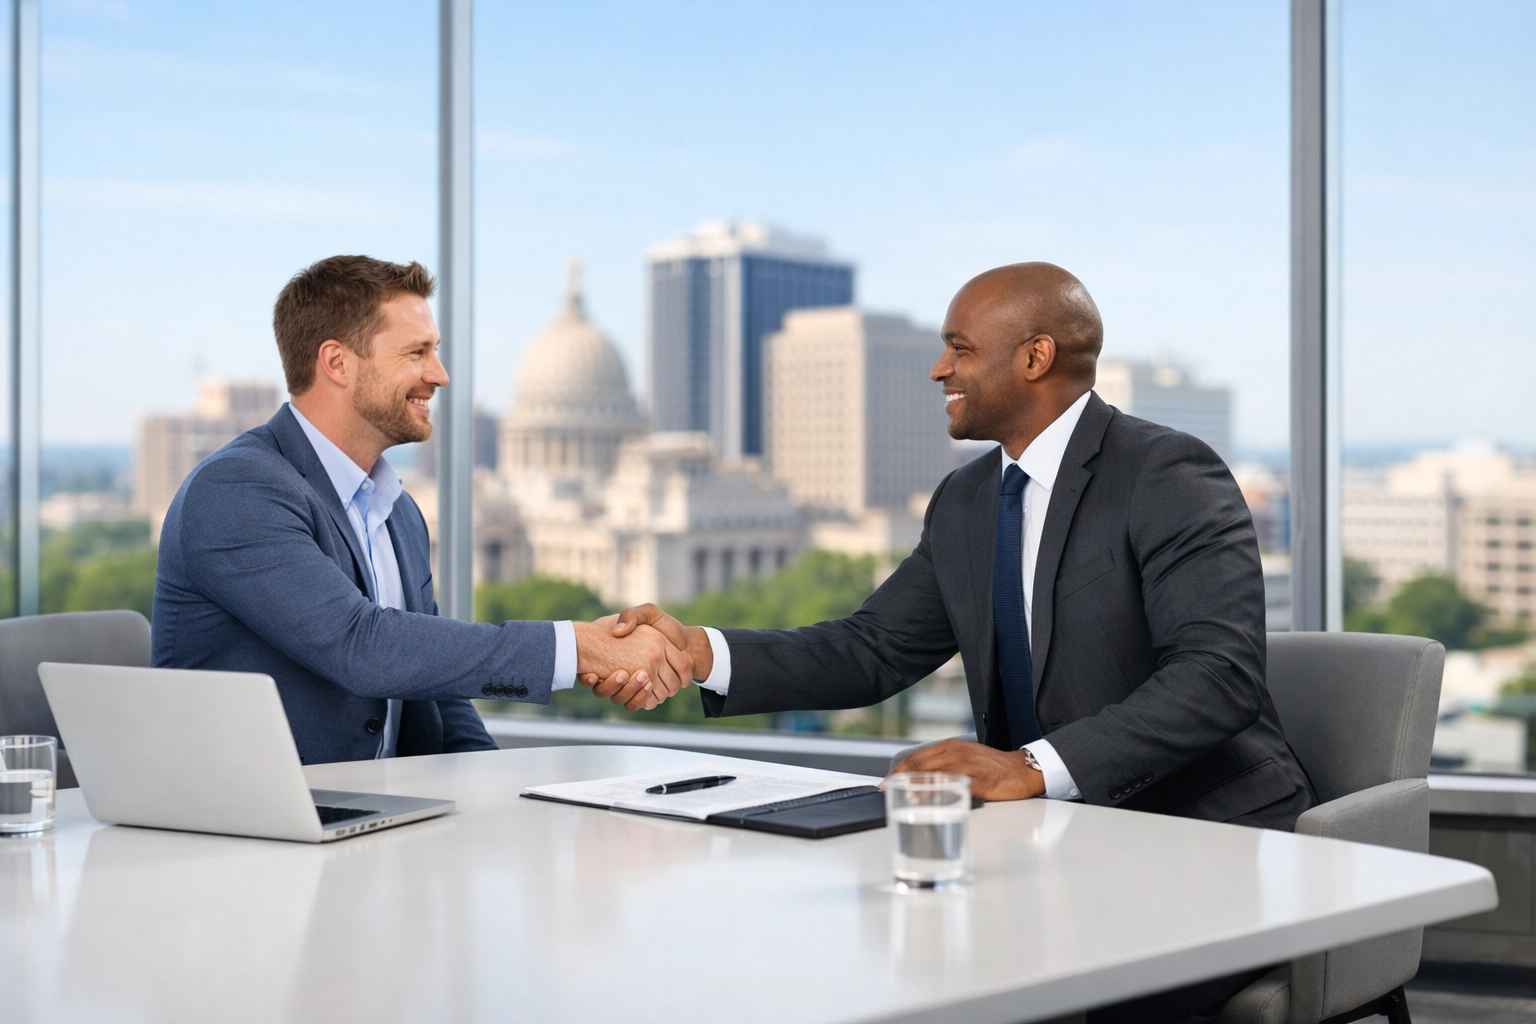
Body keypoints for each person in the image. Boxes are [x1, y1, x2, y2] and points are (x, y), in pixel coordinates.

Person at [588, 262, 1314, 1022]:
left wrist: (1027, 768)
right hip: (1048, 846)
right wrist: (701, 654)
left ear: (1034, 357)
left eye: (960, 349)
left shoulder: (1165, 472)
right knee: (866, 972)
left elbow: (1217, 677)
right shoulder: (967, 498)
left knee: (1053, 1000)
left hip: (1200, 842)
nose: (940, 369)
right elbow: (873, 648)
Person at [152, 255, 690, 765]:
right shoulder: (237, 490)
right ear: (337, 363)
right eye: (417, 353)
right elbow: (363, 647)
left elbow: (437, 692)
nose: (440, 375)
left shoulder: (400, 512)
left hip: (382, 812)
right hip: (254, 819)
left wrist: (503, 790)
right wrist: (577, 648)